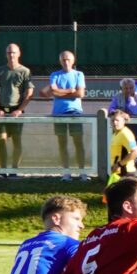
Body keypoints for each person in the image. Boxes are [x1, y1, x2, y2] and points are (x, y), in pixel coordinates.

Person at [0, 43, 34, 172]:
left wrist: (19, 109)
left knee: (16, 141)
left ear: (19, 54)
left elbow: (29, 93)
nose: (11, 55)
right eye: (9, 53)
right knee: (1, 140)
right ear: (6, 55)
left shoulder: (25, 71)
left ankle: (15, 170)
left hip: (17, 112)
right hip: (2, 112)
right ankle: (3, 170)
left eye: (14, 52)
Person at [48, 50, 87, 180]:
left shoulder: (79, 74)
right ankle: (66, 172)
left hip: (75, 112)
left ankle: (82, 172)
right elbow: (53, 91)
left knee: (78, 142)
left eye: (68, 59)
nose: (66, 62)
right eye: (63, 60)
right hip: (58, 113)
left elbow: (80, 94)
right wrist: (71, 91)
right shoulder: (54, 75)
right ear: (60, 61)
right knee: (62, 143)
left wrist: (61, 92)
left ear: (73, 61)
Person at [107, 108, 137, 187]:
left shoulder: (125, 134)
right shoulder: (116, 134)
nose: (115, 123)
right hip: (118, 173)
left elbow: (135, 152)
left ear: (123, 121)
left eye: (117, 120)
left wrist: (119, 164)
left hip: (126, 173)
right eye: (112, 121)